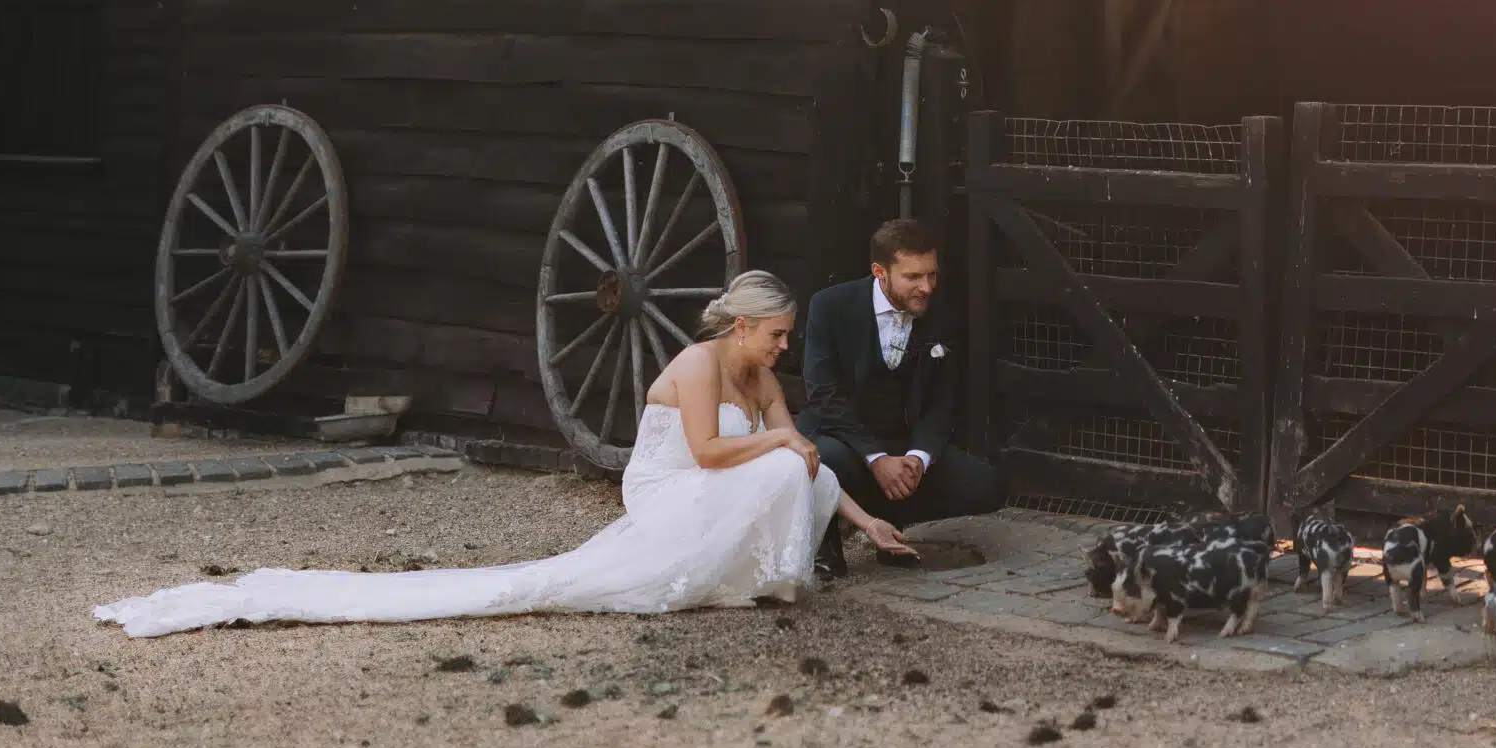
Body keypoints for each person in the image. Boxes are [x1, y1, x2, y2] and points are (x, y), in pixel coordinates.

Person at [91, 272, 911, 636]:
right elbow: (704, 451)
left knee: (795, 461)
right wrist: (778, 437)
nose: (784, 346)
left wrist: (866, 520)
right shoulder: (700, 365)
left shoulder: (761, 376)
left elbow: (806, 459)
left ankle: (751, 575)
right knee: (775, 456)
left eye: (786, 337)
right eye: (777, 334)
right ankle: (743, 576)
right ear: (741, 328)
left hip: (715, 486)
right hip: (670, 486)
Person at [797, 219, 1007, 578]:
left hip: (902, 438)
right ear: (880, 272)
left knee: (987, 486)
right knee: (825, 460)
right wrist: (876, 459)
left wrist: (918, 458)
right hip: (840, 435)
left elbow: (943, 399)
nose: (926, 287)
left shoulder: (940, 311)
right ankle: (824, 541)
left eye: (932, 275)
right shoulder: (830, 306)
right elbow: (824, 396)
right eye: (913, 277)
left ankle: (892, 519)